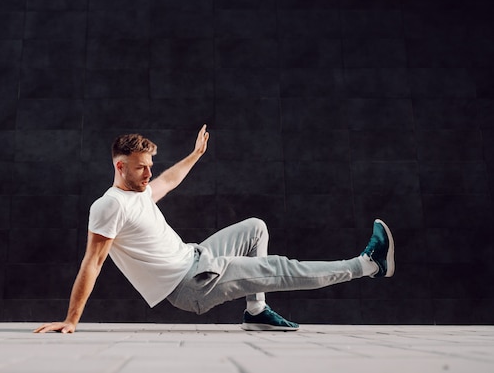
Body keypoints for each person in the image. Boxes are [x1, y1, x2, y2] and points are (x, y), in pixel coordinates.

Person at [34, 125, 395, 333]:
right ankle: (369, 265)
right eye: (141, 167)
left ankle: (256, 312)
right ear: (120, 166)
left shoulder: (140, 191)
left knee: (255, 227)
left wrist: (195, 155)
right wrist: (71, 320)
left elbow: (168, 182)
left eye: (149, 166)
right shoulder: (109, 205)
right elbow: (92, 263)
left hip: (197, 257)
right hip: (191, 286)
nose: (148, 174)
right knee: (280, 269)